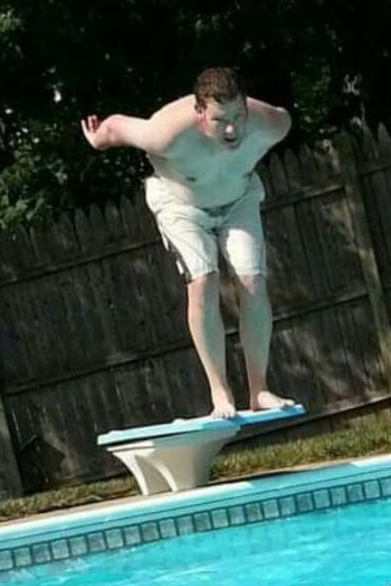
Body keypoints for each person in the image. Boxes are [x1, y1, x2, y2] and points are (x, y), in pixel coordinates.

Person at [81, 66, 296, 419]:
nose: (231, 130)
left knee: (253, 282)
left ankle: (260, 390)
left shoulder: (270, 123)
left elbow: (284, 115)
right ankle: (220, 394)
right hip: (181, 207)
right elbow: (118, 126)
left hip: (239, 200)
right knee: (203, 280)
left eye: (238, 116)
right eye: (219, 120)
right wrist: (98, 139)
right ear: (199, 113)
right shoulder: (166, 134)